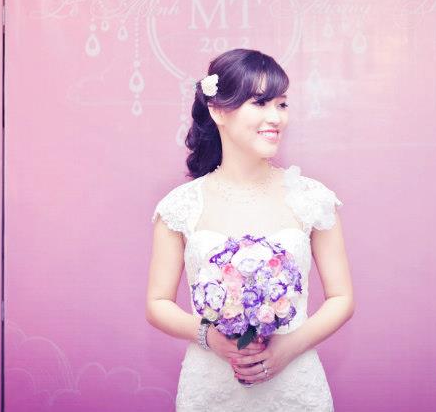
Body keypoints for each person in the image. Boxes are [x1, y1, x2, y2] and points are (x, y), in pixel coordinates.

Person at [145, 48, 354, 411]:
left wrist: (287, 348)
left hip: (295, 384)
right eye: (259, 103)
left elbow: (342, 297)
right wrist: (210, 338)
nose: (275, 117)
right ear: (217, 110)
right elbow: (157, 303)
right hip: (210, 387)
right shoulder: (181, 206)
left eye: (281, 104)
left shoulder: (312, 198)